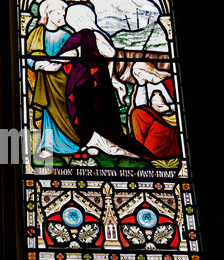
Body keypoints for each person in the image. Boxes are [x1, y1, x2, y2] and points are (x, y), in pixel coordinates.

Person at [56, 4, 153, 159]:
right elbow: (67, 55)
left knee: (97, 115)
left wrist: (115, 81)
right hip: (87, 82)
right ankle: (91, 143)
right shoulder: (85, 36)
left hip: (92, 82)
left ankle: (102, 145)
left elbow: (109, 54)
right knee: (92, 114)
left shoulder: (90, 35)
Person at [27, 0, 81, 160]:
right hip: (44, 81)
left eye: (63, 14)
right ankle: (48, 146)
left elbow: (75, 54)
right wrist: (38, 64)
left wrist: (61, 61)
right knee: (48, 112)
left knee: (66, 112)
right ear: (48, 13)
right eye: (58, 13)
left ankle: (73, 143)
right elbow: (27, 56)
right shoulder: (36, 33)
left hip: (64, 81)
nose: (61, 17)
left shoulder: (66, 35)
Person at [129, 62, 180, 158]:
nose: (138, 75)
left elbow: (181, 104)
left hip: (170, 120)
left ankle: (147, 152)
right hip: (154, 120)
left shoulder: (169, 81)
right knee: (137, 113)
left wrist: (167, 108)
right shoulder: (143, 86)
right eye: (136, 74)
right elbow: (140, 106)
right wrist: (141, 84)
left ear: (147, 69)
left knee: (152, 150)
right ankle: (141, 149)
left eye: (139, 72)